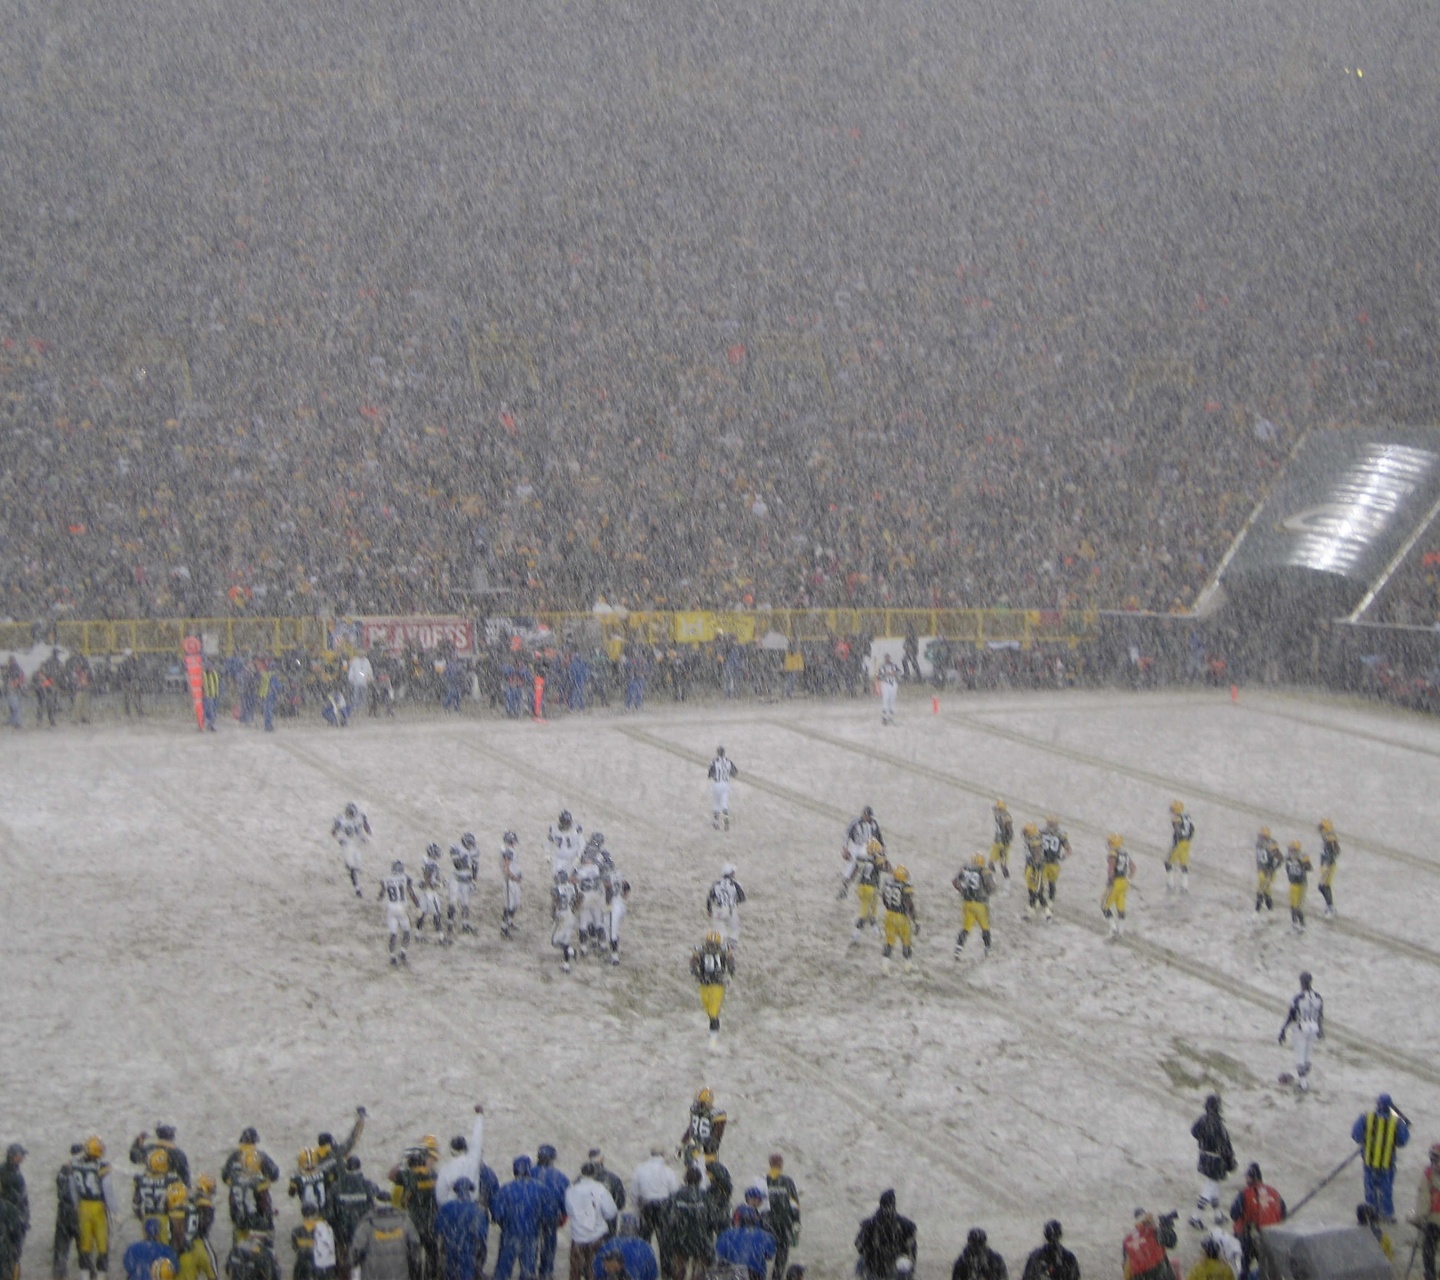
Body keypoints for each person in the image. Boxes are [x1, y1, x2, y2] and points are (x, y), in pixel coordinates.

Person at [491, 1157, 551, 1280]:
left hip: (510, 1234)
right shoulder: (541, 1189)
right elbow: (547, 1215)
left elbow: (497, 1215)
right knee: (528, 1269)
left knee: (503, 1268)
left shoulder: (505, 1189)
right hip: (531, 1234)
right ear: (529, 1170)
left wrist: (506, 1223)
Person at [1353, 1094, 1410, 1222]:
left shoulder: (1365, 1118)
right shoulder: (1397, 1122)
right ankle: (1386, 1215)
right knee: (1386, 1190)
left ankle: (1371, 1213)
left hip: (1369, 1162)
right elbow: (1403, 1141)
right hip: (1387, 1164)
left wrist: (1367, 1139)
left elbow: (1355, 1135)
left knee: (1370, 1189)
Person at [658, 1165, 719, 1280]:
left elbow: (667, 1216)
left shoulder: (676, 1195)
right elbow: (713, 1219)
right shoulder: (706, 1196)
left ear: (685, 1179)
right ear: (700, 1180)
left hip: (681, 1238)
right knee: (699, 1270)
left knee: (679, 1268)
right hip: (701, 1239)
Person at [388, 1147, 439, 1280]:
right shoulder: (433, 1175)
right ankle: (431, 1276)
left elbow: (391, 1175)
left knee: (413, 1256)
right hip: (430, 1223)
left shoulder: (408, 1175)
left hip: (414, 1223)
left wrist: (400, 1162)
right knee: (432, 1255)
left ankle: (415, 1277)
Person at [222, 1132, 281, 1243]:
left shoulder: (234, 1161)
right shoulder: (259, 1174)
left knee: (239, 1247)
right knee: (265, 1248)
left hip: (239, 1218)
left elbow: (225, 1177)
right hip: (257, 1220)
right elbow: (274, 1175)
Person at [1228, 1164, 1284, 1280]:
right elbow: (1283, 1213)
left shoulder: (1245, 1193)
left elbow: (1234, 1214)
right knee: (1266, 1269)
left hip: (1248, 1237)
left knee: (1243, 1268)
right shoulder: (1274, 1192)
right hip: (1270, 1237)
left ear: (1251, 1177)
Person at [74, 1136, 119, 1280]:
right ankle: (101, 1276)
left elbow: (72, 1188)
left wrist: (77, 1206)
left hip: (83, 1206)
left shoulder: (75, 1164)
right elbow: (108, 1190)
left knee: (85, 1245)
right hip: (98, 1207)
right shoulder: (102, 1167)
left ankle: (84, 1276)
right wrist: (115, 1211)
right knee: (102, 1244)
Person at [1189, 1095, 1235, 1228]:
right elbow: (1225, 1145)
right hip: (1216, 1159)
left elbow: (1194, 1132)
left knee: (1214, 1186)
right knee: (1210, 1187)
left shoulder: (1202, 1120)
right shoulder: (1218, 1124)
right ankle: (1195, 1217)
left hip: (1204, 1156)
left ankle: (1218, 1215)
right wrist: (1230, 1160)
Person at [565, 1164, 618, 1280]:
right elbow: (611, 1211)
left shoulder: (571, 1190)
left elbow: (568, 1211)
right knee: (595, 1268)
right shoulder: (600, 1189)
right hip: (596, 1236)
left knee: (575, 1270)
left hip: (578, 1236)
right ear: (594, 1174)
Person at [350, 1200, 422, 1280]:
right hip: (399, 1274)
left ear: (375, 1205)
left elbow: (356, 1250)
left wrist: (353, 1262)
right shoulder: (405, 1222)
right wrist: (415, 1265)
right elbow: (415, 1245)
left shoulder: (367, 1225)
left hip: (373, 1274)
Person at [854, 1190, 916, 1280]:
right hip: (878, 1266)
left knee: (904, 1265)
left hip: (884, 1266)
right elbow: (859, 1245)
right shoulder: (904, 1225)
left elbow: (859, 1245)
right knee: (862, 1263)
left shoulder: (870, 1224)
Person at [1278, 972, 1324, 1092]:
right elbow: (1320, 1014)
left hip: (1301, 1028)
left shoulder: (1298, 998)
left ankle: (1303, 1085)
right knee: (1308, 1055)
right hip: (1313, 1028)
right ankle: (1305, 1081)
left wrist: (1283, 1029)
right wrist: (1320, 1029)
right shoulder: (1318, 997)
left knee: (1300, 1056)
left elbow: (1291, 1016)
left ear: (1301, 982)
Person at [435, 1108, 486, 1208]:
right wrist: (479, 1117)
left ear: (451, 1150)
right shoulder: (473, 1161)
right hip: (472, 1206)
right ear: (466, 1147)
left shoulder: (445, 1170)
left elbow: (440, 1197)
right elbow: (477, 1140)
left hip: (451, 1209)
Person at [691, 932, 735, 1045]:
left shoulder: (724, 950)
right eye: (710, 944)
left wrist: (730, 971)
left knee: (714, 1010)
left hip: (717, 983)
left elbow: (730, 960)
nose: (712, 947)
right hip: (704, 983)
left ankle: (713, 1040)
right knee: (707, 1006)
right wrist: (694, 969)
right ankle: (713, 1032)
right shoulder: (700, 950)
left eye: (714, 944)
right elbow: (694, 960)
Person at [435, 1179, 485, 1280]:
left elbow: (438, 1229)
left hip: (450, 1246)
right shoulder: (477, 1209)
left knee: (450, 1272)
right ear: (470, 1190)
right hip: (469, 1248)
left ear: (456, 1191)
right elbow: (482, 1233)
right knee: (466, 1272)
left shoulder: (446, 1207)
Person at [532, 1147, 569, 1280]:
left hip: (532, 1215)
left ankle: (529, 1271)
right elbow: (565, 1198)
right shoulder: (560, 1177)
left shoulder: (529, 1172)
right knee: (549, 1244)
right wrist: (564, 1215)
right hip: (551, 1215)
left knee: (532, 1244)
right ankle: (546, 1273)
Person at [630, 1152, 679, 1248]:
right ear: (662, 1155)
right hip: (663, 1207)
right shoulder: (668, 1171)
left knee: (644, 1238)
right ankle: (665, 1261)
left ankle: (644, 1259)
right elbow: (674, 1192)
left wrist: (636, 1206)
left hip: (646, 1206)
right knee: (664, 1240)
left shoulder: (640, 1169)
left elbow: (634, 1191)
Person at [846, 840, 889, 946]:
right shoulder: (877, 859)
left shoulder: (861, 857)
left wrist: (847, 883)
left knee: (873, 908)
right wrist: (881, 855)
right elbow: (886, 868)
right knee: (864, 913)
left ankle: (875, 930)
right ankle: (855, 935)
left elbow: (854, 871)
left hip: (861, 886)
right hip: (871, 887)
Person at [762, 1157, 799, 1280]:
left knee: (761, 1252)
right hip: (784, 1224)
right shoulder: (787, 1182)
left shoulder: (763, 1180)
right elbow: (794, 1205)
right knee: (782, 1255)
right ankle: (776, 1277)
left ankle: (758, 1275)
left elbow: (758, 1204)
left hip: (767, 1224)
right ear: (781, 1165)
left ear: (770, 1164)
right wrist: (796, 1223)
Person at [952, 853, 995, 958]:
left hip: (966, 903)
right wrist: (988, 892)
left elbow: (955, 881)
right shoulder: (984, 871)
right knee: (985, 927)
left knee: (966, 928)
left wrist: (962, 891)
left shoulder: (965, 869)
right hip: (979, 904)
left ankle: (958, 949)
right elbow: (991, 887)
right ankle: (987, 949)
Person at [713, 1209, 774, 1280]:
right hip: (756, 1273)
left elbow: (719, 1253)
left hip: (733, 1272)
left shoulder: (727, 1234)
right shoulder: (766, 1236)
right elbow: (769, 1255)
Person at [880, 865, 918, 974]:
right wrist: (915, 921)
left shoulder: (887, 883)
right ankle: (908, 965)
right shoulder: (905, 887)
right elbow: (910, 905)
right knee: (906, 941)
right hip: (901, 917)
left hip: (888, 915)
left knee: (889, 942)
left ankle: (885, 966)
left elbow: (883, 898)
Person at [593, 1218, 657, 1280]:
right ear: (637, 1229)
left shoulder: (608, 1245)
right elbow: (652, 1274)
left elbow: (596, 1268)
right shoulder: (645, 1248)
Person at [55, 1144, 84, 1280]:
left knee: (61, 1249)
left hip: (63, 1212)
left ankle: (59, 1275)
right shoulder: (83, 1169)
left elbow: (60, 1192)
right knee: (84, 1249)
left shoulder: (63, 1169)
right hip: (79, 1213)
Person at [331, 805, 372, 899]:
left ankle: (353, 871)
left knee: (357, 867)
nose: (351, 815)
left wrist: (366, 834)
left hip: (356, 844)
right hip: (347, 845)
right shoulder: (341, 819)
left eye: (352, 813)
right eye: (350, 813)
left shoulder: (359, 817)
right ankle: (357, 889)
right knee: (352, 868)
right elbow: (333, 832)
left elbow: (366, 827)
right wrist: (339, 838)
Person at [1413, 1144, 1440, 1280]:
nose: (1434, 1163)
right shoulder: (1428, 1174)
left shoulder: (1429, 1174)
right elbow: (1423, 1196)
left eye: (1436, 1160)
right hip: (1432, 1218)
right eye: (1433, 1160)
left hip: (1434, 1217)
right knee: (1429, 1247)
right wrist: (1421, 1216)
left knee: (1430, 1247)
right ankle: (1430, 1274)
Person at [706, 867, 746, 955]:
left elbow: (710, 898)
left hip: (719, 909)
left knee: (719, 931)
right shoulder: (736, 884)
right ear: (732, 874)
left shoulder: (716, 884)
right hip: (731, 909)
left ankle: (717, 949)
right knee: (734, 929)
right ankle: (730, 950)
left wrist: (709, 910)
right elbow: (742, 898)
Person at [1, 1143, 29, 1264]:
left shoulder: (11, 1170)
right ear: (14, 1156)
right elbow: (18, 1197)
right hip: (11, 1217)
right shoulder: (6, 1172)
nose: (23, 1157)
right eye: (21, 1154)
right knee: (12, 1252)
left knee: (13, 1252)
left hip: (14, 1217)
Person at [681, 1093, 727, 1163]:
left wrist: (708, 1147)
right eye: (698, 1103)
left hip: (707, 1153)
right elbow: (691, 1128)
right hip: (694, 1150)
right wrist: (682, 1144)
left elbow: (716, 1137)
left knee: (719, 1171)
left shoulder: (716, 1115)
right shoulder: (695, 1112)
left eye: (701, 1103)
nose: (698, 1105)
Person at [1120, 1213, 1169, 1280]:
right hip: (1156, 1270)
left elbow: (1125, 1265)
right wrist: (1166, 1227)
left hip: (1137, 1274)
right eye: (1152, 1222)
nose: (1154, 1224)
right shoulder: (1154, 1233)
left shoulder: (1127, 1239)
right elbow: (1171, 1242)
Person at [1102, 834, 1133, 939]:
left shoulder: (1113, 854)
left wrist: (1109, 881)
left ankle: (1113, 928)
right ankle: (1121, 931)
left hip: (1115, 882)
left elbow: (1111, 869)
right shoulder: (1125, 853)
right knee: (1121, 906)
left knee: (1104, 905)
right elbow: (1133, 868)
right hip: (1124, 882)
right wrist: (1129, 879)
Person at [291, 1209, 336, 1280]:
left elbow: (295, 1246)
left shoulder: (297, 1230)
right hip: (318, 1263)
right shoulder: (324, 1229)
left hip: (311, 1263)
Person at [448, 837, 480, 936]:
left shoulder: (473, 851)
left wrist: (474, 880)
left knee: (465, 903)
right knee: (453, 902)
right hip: (456, 879)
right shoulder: (456, 848)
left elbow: (475, 866)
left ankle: (465, 924)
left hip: (466, 879)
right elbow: (457, 864)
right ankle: (450, 924)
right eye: (470, 843)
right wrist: (467, 861)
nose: (471, 846)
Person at [1039, 818, 1071, 911]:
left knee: (1051, 882)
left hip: (1054, 862)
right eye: (1049, 823)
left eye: (1052, 824)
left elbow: (1068, 849)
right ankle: (1039, 899)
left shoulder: (1061, 835)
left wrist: (1062, 857)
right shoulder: (1042, 832)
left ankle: (1051, 900)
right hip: (1044, 861)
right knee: (1040, 881)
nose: (1050, 826)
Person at [552, 870, 580, 973]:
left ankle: (571, 951)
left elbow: (555, 902)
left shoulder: (556, 889)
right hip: (571, 915)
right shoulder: (573, 887)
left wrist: (554, 914)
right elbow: (580, 897)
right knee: (566, 940)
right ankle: (566, 965)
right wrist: (575, 908)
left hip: (563, 916)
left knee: (555, 942)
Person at [1283, 841, 1312, 934]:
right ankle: (1294, 925)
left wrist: (1303, 862)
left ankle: (1302, 925)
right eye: (1290, 850)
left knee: (1298, 907)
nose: (1290, 852)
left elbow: (1309, 868)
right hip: (1293, 884)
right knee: (1292, 905)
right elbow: (1287, 869)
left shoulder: (1302, 857)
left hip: (1301, 884)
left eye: (1292, 850)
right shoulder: (1288, 858)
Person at [1166, 801, 1195, 894]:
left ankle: (1170, 883)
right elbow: (1192, 829)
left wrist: (1177, 841)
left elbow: (1178, 831)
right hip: (1187, 843)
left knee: (1168, 862)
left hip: (1180, 843)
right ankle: (1185, 885)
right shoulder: (1187, 817)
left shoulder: (1176, 819)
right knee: (1183, 863)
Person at [500, 832, 524, 939]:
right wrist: (514, 877)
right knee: (509, 906)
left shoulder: (510, 851)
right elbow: (505, 868)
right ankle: (504, 929)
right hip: (510, 882)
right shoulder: (508, 852)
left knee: (516, 904)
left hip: (514, 881)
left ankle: (509, 922)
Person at [1021, 824, 1047, 922]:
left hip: (1036, 869)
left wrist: (1033, 872)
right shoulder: (1030, 841)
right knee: (1032, 891)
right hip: (1031, 866)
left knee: (1037, 892)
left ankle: (1047, 914)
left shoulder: (1035, 843)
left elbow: (1037, 858)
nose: (1024, 834)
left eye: (1026, 832)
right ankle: (1031, 912)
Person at [708, 749, 738, 832]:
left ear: (717, 753)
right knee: (724, 803)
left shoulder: (714, 762)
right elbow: (735, 772)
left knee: (716, 803)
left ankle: (716, 822)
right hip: (726, 784)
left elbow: (710, 774)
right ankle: (726, 819)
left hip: (717, 784)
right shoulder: (728, 762)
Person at [549, 812, 585, 877]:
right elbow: (549, 841)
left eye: (567, 823)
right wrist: (547, 853)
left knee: (570, 876)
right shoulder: (554, 829)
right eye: (564, 823)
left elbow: (582, 844)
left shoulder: (576, 830)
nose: (566, 825)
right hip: (559, 858)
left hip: (572, 858)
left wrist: (578, 856)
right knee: (557, 877)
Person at [1317, 819, 1341, 918]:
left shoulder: (1330, 838)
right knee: (1324, 886)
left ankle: (1330, 907)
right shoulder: (1327, 837)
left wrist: (1328, 862)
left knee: (1323, 886)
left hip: (1328, 866)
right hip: (1325, 865)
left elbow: (1336, 851)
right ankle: (1329, 906)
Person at [1253, 829, 1281, 913]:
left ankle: (1257, 909)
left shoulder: (1272, 845)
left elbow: (1280, 859)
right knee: (1266, 890)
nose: (1261, 838)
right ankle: (1270, 908)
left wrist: (1273, 868)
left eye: (1262, 836)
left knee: (1261, 889)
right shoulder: (1259, 843)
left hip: (1268, 871)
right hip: (1261, 870)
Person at [987, 801, 1013, 888]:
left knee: (1003, 866)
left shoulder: (1006, 819)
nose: (996, 810)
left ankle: (1007, 887)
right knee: (990, 863)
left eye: (998, 809)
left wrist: (1004, 846)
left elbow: (1010, 834)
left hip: (1004, 844)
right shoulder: (998, 815)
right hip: (997, 842)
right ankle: (993, 882)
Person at [877, 654, 899, 725]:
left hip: (893, 684)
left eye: (888, 658)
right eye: (885, 658)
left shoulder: (894, 666)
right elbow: (879, 675)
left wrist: (894, 673)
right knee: (885, 699)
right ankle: (884, 717)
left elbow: (900, 672)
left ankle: (891, 716)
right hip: (885, 684)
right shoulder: (882, 667)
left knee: (892, 700)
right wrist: (886, 674)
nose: (887, 659)